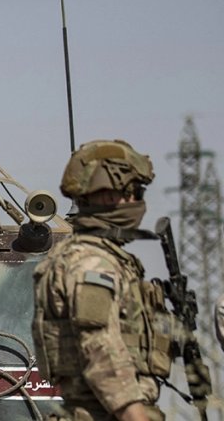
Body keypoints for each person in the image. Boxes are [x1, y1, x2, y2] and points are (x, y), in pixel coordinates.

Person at [32, 139, 184, 421]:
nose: (138, 202)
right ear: (107, 195)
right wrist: (134, 415)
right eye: (134, 192)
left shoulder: (95, 256)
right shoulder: (90, 261)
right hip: (106, 412)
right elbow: (100, 351)